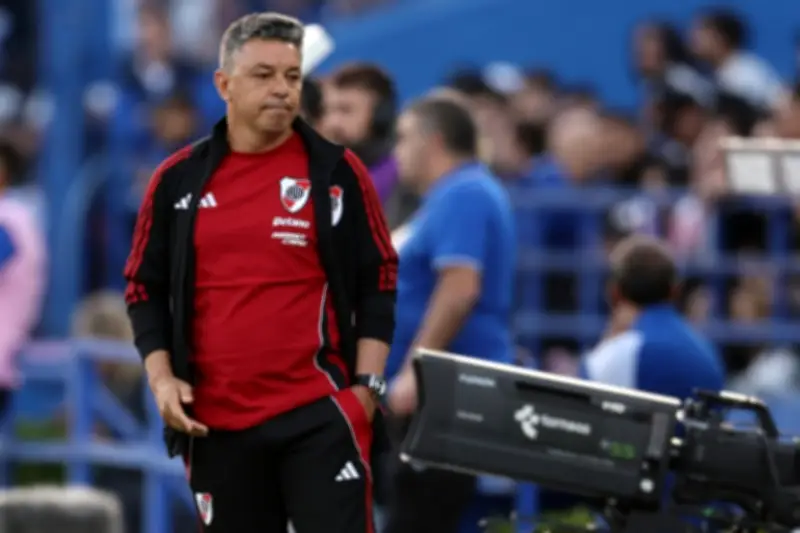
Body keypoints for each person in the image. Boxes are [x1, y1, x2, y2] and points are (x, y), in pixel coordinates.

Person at [123, 13, 397, 533]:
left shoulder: (338, 173)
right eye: (264, 75)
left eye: (292, 76)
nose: (281, 89)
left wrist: (367, 388)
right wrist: (162, 380)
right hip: (216, 424)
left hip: (319, 414)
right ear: (224, 84)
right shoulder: (177, 179)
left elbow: (378, 278)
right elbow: (143, 287)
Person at [384, 97, 516, 533]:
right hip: (436, 394)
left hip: (444, 395)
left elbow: (460, 289)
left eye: (404, 138)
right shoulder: (449, 196)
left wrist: (414, 368)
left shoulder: (465, 192)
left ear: (434, 141)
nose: (397, 151)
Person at [581, 235, 724, 399]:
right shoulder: (707, 351)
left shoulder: (622, 353)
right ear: (675, 291)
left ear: (615, 294)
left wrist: (609, 340)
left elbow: (581, 400)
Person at [320, 63, 418, 227]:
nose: (332, 123)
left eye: (345, 110)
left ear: (380, 116)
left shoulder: (403, 175)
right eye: (327, 111)